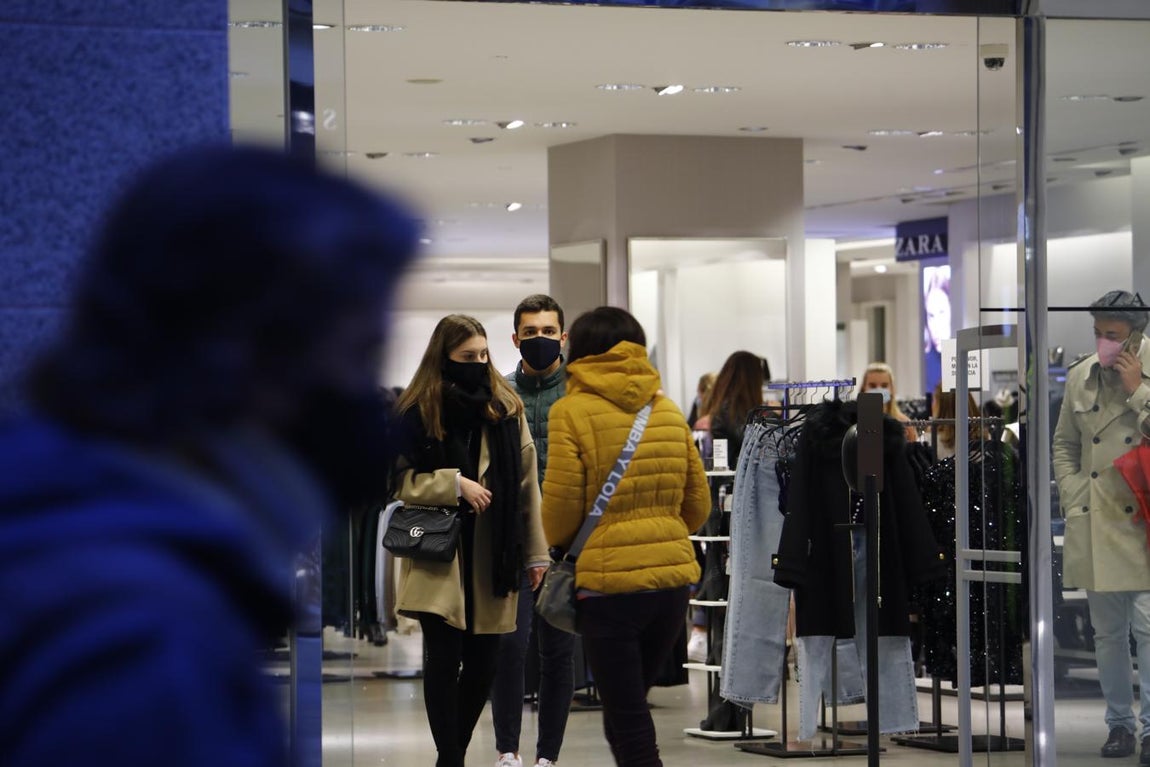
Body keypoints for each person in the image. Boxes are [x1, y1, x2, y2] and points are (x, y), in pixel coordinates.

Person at [0, 145, 420, 767]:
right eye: (358, 354)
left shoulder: (57, 524)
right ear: (249, 353)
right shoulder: (139, 641)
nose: (365, 398)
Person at [542, 306, 710, 767]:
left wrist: (576, 543)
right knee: (624, 711)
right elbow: (698, 507)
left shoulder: (569, 412)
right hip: (672, 586)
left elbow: (559, 514)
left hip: (608, 587)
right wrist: (660, 530)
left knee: (629, 719)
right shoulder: (667, 411)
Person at [391, 314, 550, 767]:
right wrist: (453, 484)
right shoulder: (418, 410)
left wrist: (536, 554)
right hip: (438, 555)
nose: (478, 363)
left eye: (483, 354)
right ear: (444, 357)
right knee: (443, 660)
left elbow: (527, 488)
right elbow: (398, 481)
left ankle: (449, 757)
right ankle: (452, 759)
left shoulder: (505, 407)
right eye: (467, 356)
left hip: (494, 554)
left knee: (485, 663)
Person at [1053, 290, 1150, 762]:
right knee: (1107, 635)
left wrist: (1138, 390)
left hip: (1144, 520)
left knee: (1148, 631)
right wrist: (1076, 497)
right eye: (1097, 332)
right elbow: (1064, 445)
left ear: (1135, 334)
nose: (1103, 342)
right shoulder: (1080, 375)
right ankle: (1119, 726)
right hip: (1096, 519)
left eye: (1112, 334)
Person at [490, 295, 576, 767]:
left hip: (566, 542)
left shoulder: (579, 394)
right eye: (530, 332)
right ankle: (508, 750)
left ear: (563, 336)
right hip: (515, 539)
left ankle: (548, 756)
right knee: (509, 647)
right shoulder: (499, 395)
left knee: (558, 652)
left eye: (547, 331)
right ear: (515, 337)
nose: (539, 339)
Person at [688, 351, 767, 665]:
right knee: (727, 587)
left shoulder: (721, 415)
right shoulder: (738, 417)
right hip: (732, 511)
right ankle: (726, 659)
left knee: (721, 584)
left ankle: (722, 657)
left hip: (721, 510)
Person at [860, 361, 918, 443]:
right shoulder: (854, 422)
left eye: (884, 386)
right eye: (872, 386)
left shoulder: (905, 424)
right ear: (863, 388)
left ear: (891, 389)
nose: (879, 390)